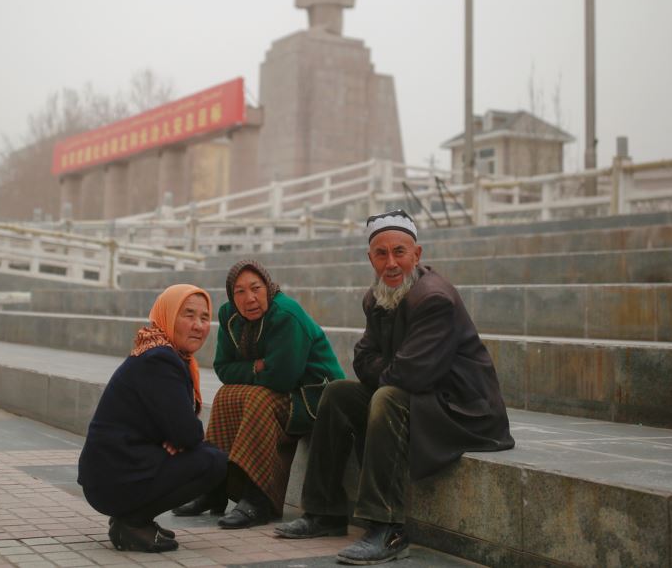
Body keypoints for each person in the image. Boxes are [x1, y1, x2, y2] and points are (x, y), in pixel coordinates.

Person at [274, 210, 515, 565]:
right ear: (370, 258)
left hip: (463, 409)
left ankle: (388, 528)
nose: (391, 263)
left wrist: (386, 370)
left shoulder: (435, 298)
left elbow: (411, 376)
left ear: (417, 254)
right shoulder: (377, 297)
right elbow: (362, 358)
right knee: (339, 393)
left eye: (399, 252)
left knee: (387, 398)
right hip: (421, 395)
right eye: (381, 254)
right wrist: (389, 369)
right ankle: (324, 512)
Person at [173, 259, 345, 528]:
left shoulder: (287, 315)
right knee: (225, 395)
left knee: (258, 398)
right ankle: (214, 488)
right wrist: (257, 365)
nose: (249, 298)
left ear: (268, 287)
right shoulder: (229, 315)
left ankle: (258, 498)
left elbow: (282, 377)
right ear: (232, 295)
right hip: (281, 390)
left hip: (314, 397)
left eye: (255, 288)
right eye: (240, 291)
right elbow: (223, 368)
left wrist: (256, 371)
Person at [77, 284, 227, 553]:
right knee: (212, 462)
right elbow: (188, 434)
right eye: (188, 315)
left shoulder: (159, 352)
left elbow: (181, 431)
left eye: (204, 318)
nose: (198, 325)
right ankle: (132, 522)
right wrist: (176, 438)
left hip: (114, 471)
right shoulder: (160, 360)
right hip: (113, 477)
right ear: (167, 315)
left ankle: (134, 517)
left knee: (207, 452)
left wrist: (177, 437)